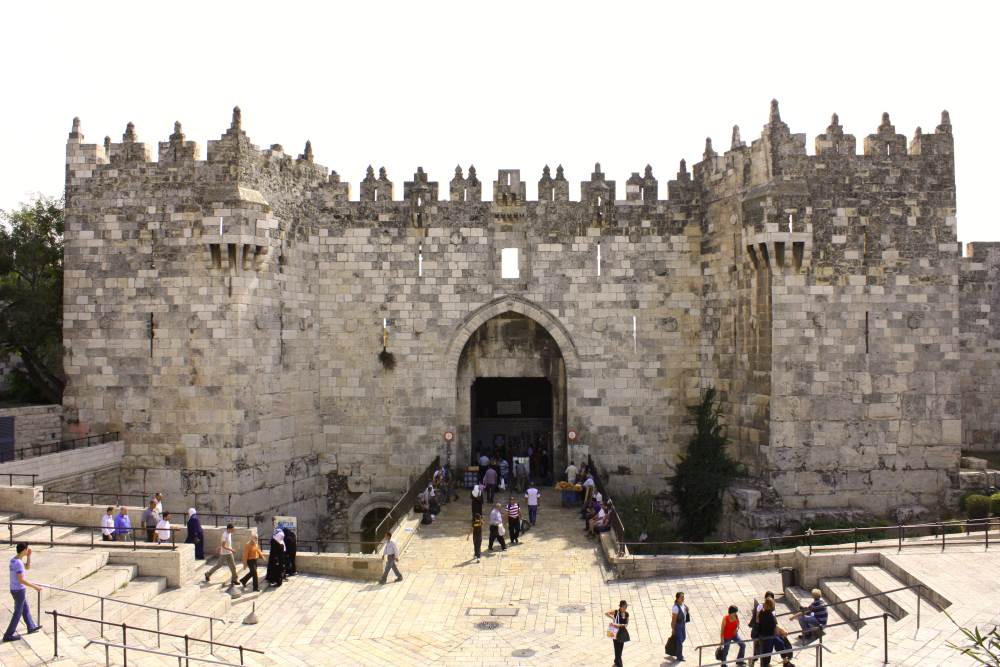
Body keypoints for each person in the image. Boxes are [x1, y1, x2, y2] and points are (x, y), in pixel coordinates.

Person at [3, 543, 41, 642]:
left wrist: (29, 556)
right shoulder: (18, 563)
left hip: (14, 589)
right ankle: (8, 634)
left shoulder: (14, 560)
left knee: (25, 608)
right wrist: (35, 587)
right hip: (19, 590)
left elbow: (27, 567)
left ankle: (31, 626)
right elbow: (21, 580)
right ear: (24, 550)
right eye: (27, 549)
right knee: (18, 612)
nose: (28, 550)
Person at [605, 599, 630, 666]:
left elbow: (626, 624)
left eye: (626, 607)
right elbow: (606, 613)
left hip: (622, 634)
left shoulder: (627, 614)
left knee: (620, 650)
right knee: (617, 650)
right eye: (624, 607)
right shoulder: (616, 612)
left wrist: (617, 625)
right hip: (615, 633)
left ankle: (616, 661)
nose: (625, 608)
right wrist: (613, 618)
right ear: (621, 607)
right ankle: (619, 664)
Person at [756, 597, 778, 667]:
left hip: (761, 635)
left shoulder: (761, 613)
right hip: (768, 637)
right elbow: (774, 627)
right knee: (767, 654)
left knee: (763, 654)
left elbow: (758, 621)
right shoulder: (771, 616)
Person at [671, 591, 689, 662]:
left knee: (683, 638)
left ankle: (676, 648)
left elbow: (685, 611)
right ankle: (679, 656)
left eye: (683, 597)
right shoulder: (675, 608)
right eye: (681, 597)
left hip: (683, 624)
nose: (683, 598)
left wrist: (687, 609)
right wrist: (673, 629)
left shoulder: (683, 604)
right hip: (678, 625)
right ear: (677, 598)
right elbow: (674, 619)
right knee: (680, 641)